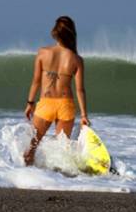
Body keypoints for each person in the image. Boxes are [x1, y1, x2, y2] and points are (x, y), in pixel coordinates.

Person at [23, 16, 90, 166]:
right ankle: (59, 180)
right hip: (66, 105)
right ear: (72, 34)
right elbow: (80, 89)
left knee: (31, 148)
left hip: (46, 103)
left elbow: (36, 81)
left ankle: (28, 179)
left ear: (55, 33)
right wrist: (84, 115)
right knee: (62, 151)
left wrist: (30, 103)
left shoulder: (42, 52)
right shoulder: (77, 59)